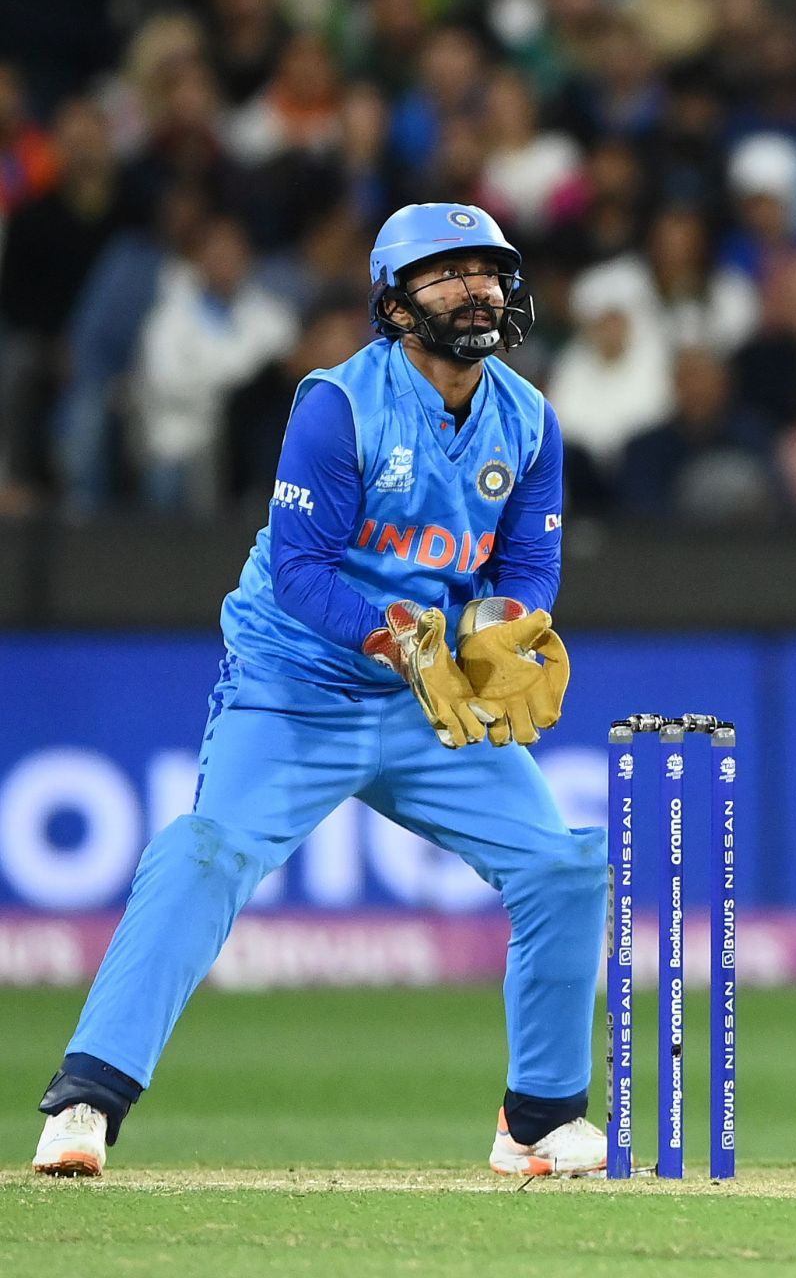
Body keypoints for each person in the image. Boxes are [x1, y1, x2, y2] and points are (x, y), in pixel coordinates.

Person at [31, 203, 603, 1180]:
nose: (478, 288)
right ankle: (88, 1097)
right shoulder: (339, 404)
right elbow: (300, 570)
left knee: (563, 866)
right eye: (449, 271)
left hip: (432, 706)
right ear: (393, 299)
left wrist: (503, 632)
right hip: (297, 687)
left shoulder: (530, 418)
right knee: (203, 848)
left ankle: (538, 1119)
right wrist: (404, 641)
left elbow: (528, 565)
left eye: (490, 270)